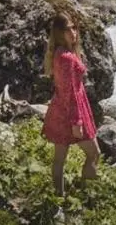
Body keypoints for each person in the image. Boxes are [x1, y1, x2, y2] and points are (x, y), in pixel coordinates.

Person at [41, 11, 100, 195]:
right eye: (68, 30)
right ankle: (84, 194)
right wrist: (77, 122)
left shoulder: (61, 53)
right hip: (71, 112)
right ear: (59, 33)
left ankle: (60, 198)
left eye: (74, 28)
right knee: (94, 153)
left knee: (60, 158)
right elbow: (70, 92)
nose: (73, 33)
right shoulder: (66, 57)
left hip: (61, 109)